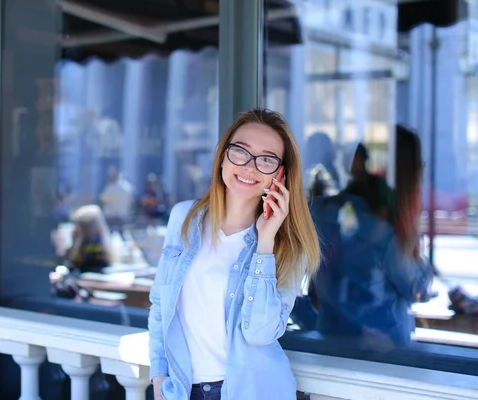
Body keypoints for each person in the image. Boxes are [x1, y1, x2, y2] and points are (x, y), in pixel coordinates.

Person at [148, 109, 321, 400]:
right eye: (240, 151)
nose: (250, 166)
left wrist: (265, 242)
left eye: (266, 159)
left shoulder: (288, 246)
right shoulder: (183, 218)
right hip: (181, 389)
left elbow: (259, 334)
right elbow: (160, 307)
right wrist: (159, 377)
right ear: (223, 157)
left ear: (280, 174)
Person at [310, 127, 433, 350]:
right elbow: (417, 289)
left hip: (329, 348)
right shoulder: (387, 232)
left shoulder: (321, 212)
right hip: (383, 354)